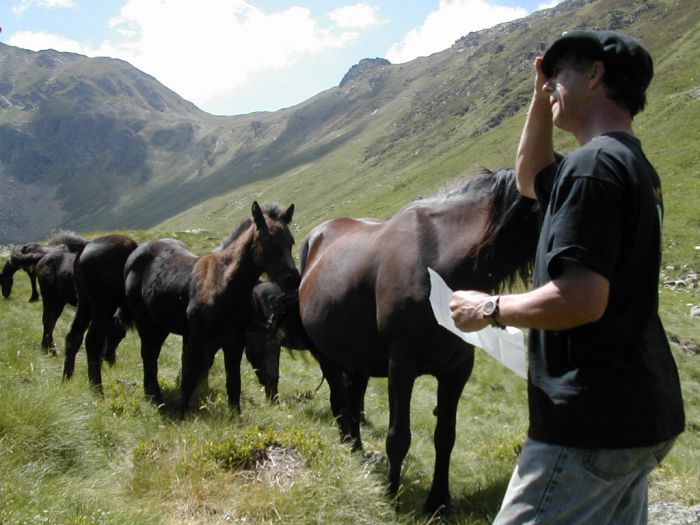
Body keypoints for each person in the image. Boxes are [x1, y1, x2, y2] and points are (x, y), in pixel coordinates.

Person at [449, 30, 685, 524]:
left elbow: (582, 298)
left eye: (559, 74)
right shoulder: (629, 163)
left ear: (595, 75)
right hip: (639, 413)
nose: (550, 85)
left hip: (589, 421)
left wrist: (489, 308)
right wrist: (541, 99)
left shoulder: (591, 168)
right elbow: (531, 177)